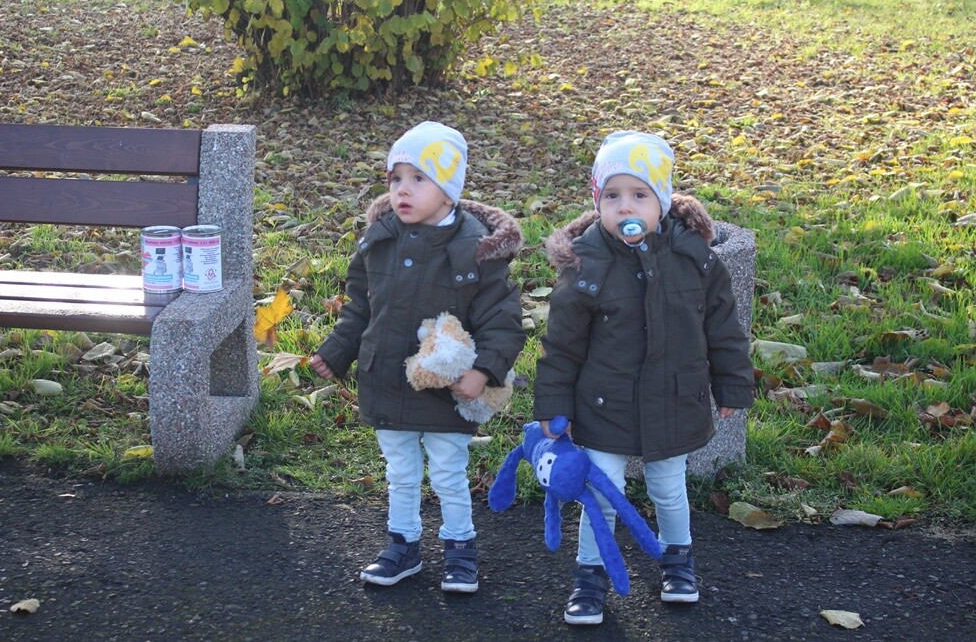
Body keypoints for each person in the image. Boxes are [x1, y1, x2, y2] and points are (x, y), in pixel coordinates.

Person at [533, 131, 754, 625]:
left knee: (668, 487)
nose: (624, 206)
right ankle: (590, 575)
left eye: (639, 195)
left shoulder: (694, 259)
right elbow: (561, 346)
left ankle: (679, 560)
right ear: (597, 201)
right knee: (602, 491)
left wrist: (732, 384)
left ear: (663, 201)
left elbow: (723, 328)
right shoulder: (586, 265)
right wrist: (553, 406)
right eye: (611, 196)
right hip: (602, 403)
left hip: (672, 398)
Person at [309, 121, 525, 594]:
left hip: (447, 388)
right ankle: (402, 545)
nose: (402, 190)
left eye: (418, 179)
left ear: (448, 191)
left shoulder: (476, 250)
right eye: (395, 178)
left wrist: (484, 371)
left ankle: (460, 549)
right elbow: (362, 306)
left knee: (448, 471)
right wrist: (337, 351)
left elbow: (503, 320)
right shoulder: (380, 239)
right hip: (386, 377)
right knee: (400, 473)